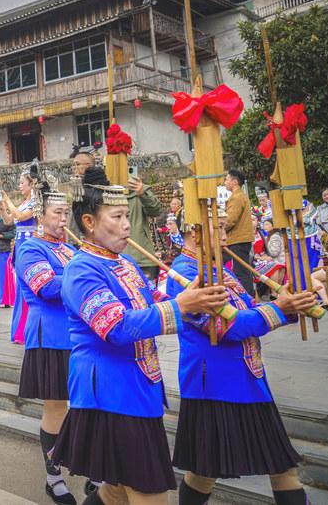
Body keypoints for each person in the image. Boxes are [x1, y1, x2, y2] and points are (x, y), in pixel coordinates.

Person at [51, 167, 227, 505]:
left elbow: (152, 301)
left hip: (136, 389)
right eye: (117, 216)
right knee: (148, 494)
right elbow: (115, 326)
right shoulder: (81, 269)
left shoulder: (127, 263)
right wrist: (179, 307)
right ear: (89, 222)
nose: (127, 223)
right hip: (111, 394)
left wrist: (193, 299)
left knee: (115, 491)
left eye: (125, 215)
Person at [166, 211, 317, 505]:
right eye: (219, 229)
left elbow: (250, 309)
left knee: (282, 466)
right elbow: (227, 326)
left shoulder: (221, 268)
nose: (225, 236)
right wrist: (280, 309)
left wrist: (289, 306)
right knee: (204, 472)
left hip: (249, 378)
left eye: (225, 228)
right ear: (194, 232)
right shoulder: (186, 274)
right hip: (214, 385)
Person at [13, 181, 80, 504]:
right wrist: (85, 273)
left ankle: (90, 467)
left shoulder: (69, 248)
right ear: (40, 216)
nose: (64, 219)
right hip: (50, 336)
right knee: (56, 407)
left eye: (66, 212)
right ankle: (53, 476)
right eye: (57, 212)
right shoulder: (30, 247)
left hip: (79, 335)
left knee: (82, 405)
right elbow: (45, 287)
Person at [0, 167, 38, 344]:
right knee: (21, 286)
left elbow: (21, 217)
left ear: (32, 184)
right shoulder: (22, 203)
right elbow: (8, 221)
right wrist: (2, 207)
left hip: (30, 244)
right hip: (20, 245)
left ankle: (29, 329)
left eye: (22, 183)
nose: (20, 186)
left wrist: (8, 200)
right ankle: (20, 331)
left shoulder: (35, 202)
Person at [120, 175, 165, 283]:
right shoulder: (104, 191)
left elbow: (156, 211)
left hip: (141, 257)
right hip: (113, 257)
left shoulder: (141, 189)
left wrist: (142, 194)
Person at [224, 169, 255, 297]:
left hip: (238, 239)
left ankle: (249, 300)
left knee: (241, 272)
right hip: (237, 239)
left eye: (227, 179)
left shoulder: (237, 197)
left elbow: (230, 220)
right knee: (241, 271)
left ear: (235, 182)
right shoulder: (239, 196)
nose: (225, 182)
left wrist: (217, 230)